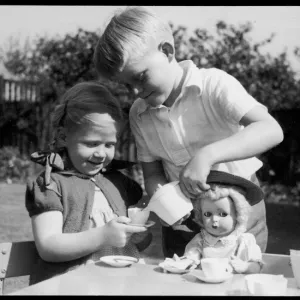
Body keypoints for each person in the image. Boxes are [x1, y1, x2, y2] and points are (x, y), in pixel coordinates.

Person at [93, 6, 284, 257]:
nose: (135, 92)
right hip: (183, 216)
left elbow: (270, 129)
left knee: (238, 278)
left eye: (140, 78)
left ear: (167, 51)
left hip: (239, 208)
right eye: (126, 85)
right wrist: (167, 203)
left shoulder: (214, 84)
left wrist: (207, 155)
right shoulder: (139, 113)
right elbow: (152, 173)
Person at [25, 81, 151, 284]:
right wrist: (103, 236)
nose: (101, 153)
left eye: (109, 144)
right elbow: (48, 246)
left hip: (121, 283)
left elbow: (134, 245)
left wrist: (138, 237)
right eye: (91, 143)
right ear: (64, 137)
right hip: (74, 286)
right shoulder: (51, 185)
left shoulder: (119, 183)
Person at [183, 170, 264, 274]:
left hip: (234, 287)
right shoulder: (201, 240)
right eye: (207, 214)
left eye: (223, 214)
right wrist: (186, 263)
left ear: (239, 216)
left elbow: (256, 267)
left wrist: (246, 267)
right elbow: (190, 259)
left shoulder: (243, 241)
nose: (214, 219)